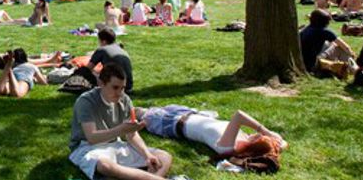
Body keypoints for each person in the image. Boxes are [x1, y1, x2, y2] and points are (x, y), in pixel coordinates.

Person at [68, 64, 173, 180]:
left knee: (164, 156)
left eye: (122, 88)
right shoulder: (86, 101)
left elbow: (132, 135)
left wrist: (147, 155)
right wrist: (121, 130)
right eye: (115, 87)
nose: (119, 93)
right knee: (105, 166)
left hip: (115, 145)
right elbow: (92, 137)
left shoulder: (125, 100)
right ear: (101, 83)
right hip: (88, 147)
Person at [137, 105, 287, 159]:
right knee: (139, 110)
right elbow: (283, 143)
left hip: (170, 123)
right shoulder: (243, 138)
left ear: (254, 144)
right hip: (186, 112)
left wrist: (265, 130)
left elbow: (239, 115)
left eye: (260, 137)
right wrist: (274, 142)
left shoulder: (228, 147)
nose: (260, 134)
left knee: (135, 112)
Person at [297, 10, 357, 78]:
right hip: (313, 63)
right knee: (338, 47)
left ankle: (338, 64)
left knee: (330, 43)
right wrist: (352, 54)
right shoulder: (325, 31)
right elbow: (346, 47)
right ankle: (354, 70)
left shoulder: (305, 29)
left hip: (304, 62)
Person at [87, 29, 134, 94]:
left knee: (88, 74)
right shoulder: (121, 49)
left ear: (103, 41)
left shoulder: (102, 50)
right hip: (128, 87)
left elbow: (87, 69)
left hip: (113, 88)